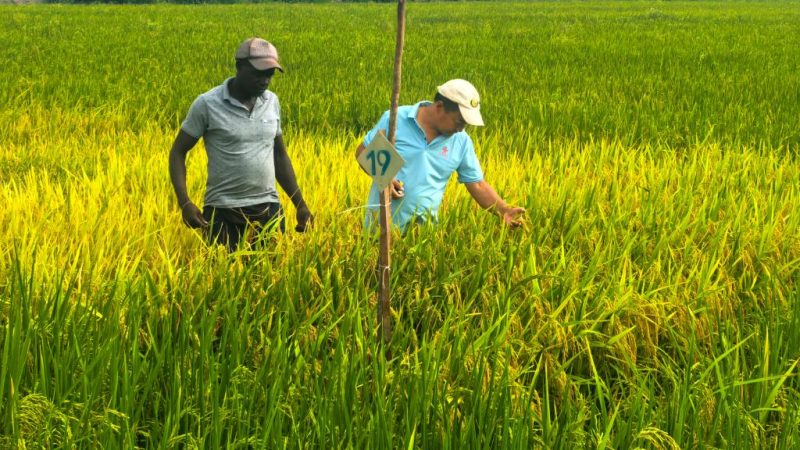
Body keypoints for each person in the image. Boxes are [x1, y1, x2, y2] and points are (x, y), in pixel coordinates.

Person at [169, 37, 313, 251]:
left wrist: (299, 204)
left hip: (268, 208)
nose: (264, 80)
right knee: (223, 279)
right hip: (222, 212)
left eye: (269, 74)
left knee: (272, 278)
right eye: (258, 73)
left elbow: (279, 155)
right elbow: (178, 152)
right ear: (239, 67)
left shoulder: (271, 102)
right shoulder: (207, 104)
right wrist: (185, 202)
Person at [355, 79, 524, 231]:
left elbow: (478, 185)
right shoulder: (397, 119)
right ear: (439, 107)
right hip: (380, 228)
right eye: (458, 121)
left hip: (423, 235)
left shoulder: (461, 141)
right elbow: (362, 151)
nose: (461, 128)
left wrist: (503, 210)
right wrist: (385, 176)